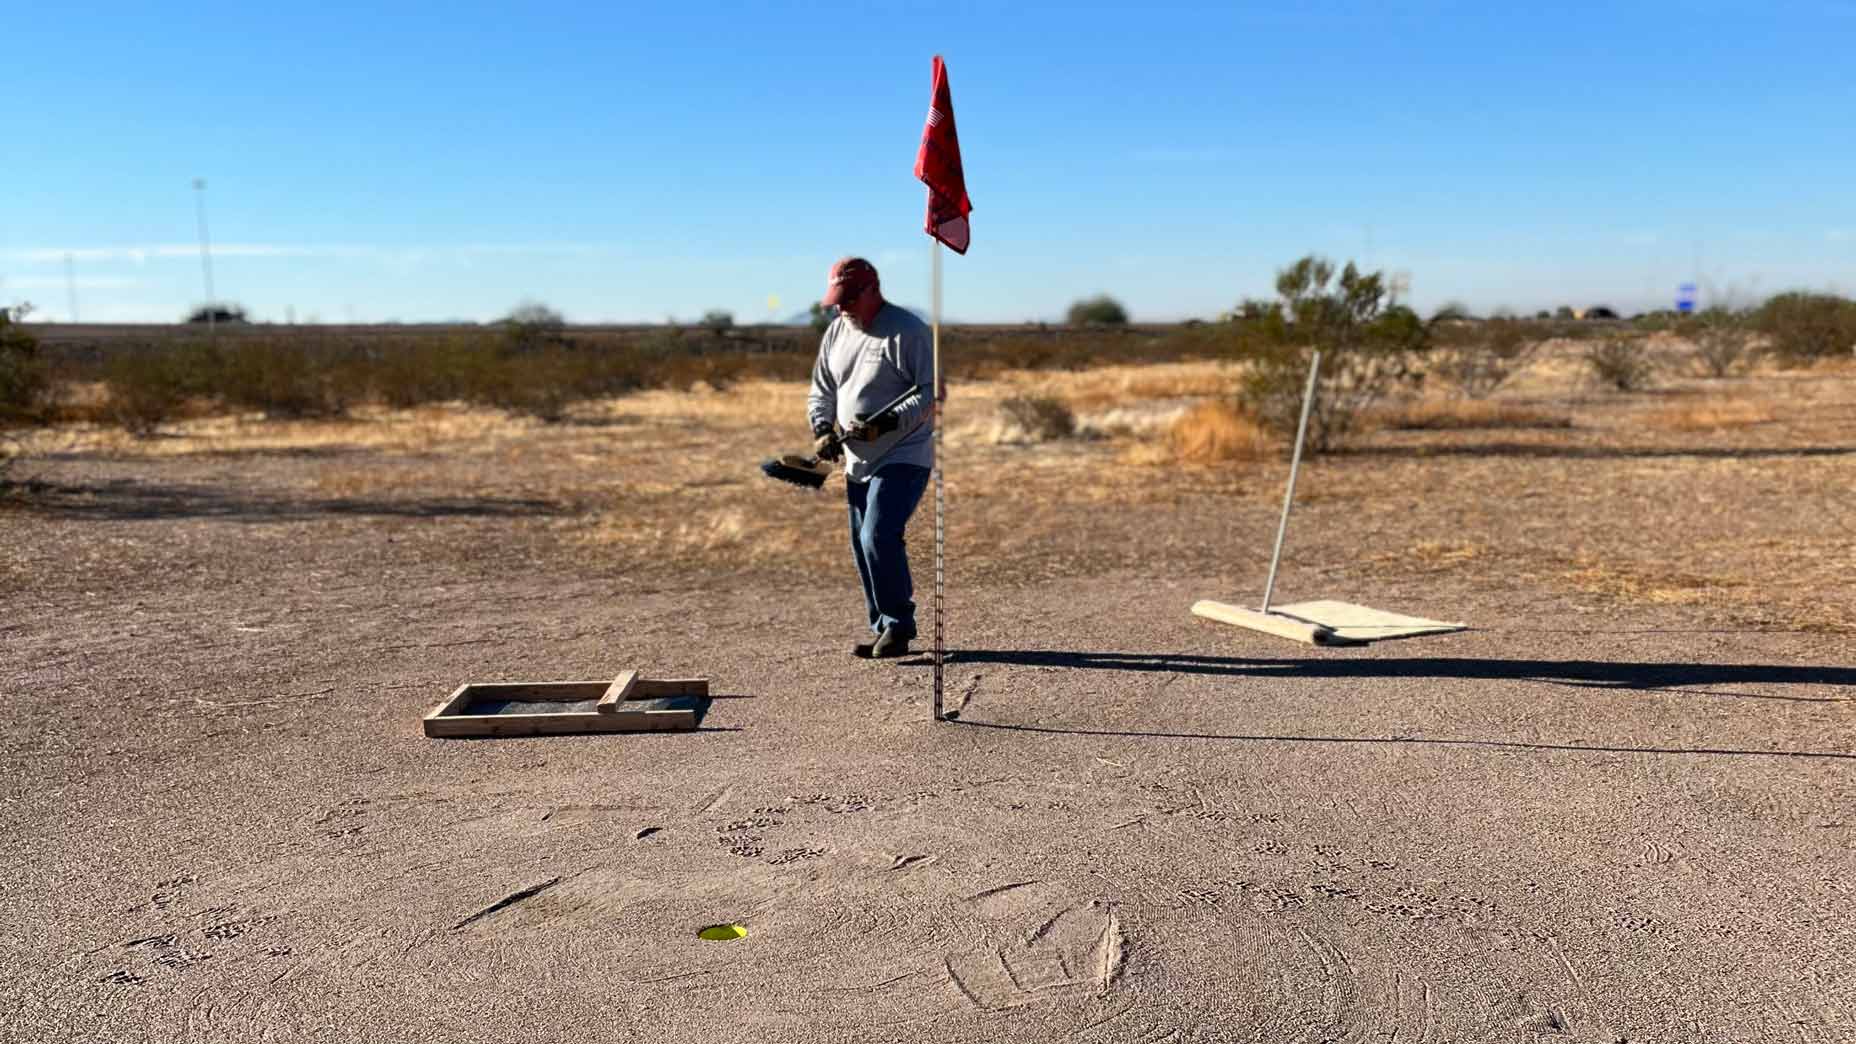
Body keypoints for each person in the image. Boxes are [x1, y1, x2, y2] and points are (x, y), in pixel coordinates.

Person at [807, 257, 935, 659]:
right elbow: (822, 388)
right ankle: (883, 626)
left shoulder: (907, 330)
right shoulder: (836, 332)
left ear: (871, 290)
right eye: (836, 300)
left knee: (877, 534)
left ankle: (898, 626)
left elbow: (929, 392)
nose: (841, 308)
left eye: (847, 299)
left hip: (904, 452)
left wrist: (888, 423)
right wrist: (823, 428)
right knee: (861, 545)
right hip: (856, 458)